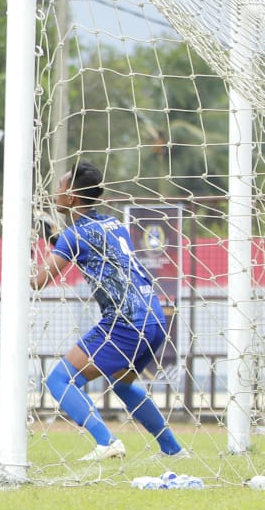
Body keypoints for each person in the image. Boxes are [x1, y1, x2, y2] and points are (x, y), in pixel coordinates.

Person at [30, 160, 185, 462]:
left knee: (60, 380)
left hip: (124, 322)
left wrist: (19, 260)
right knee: (122, 384)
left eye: (60, 187)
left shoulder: (75, 236)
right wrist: (50, 236)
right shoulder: (114, 224)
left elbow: (39, 281)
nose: (55, 192)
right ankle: (172, 449)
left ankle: (107, 441)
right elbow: (84, 247)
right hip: (154, 316)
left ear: (71, 197)